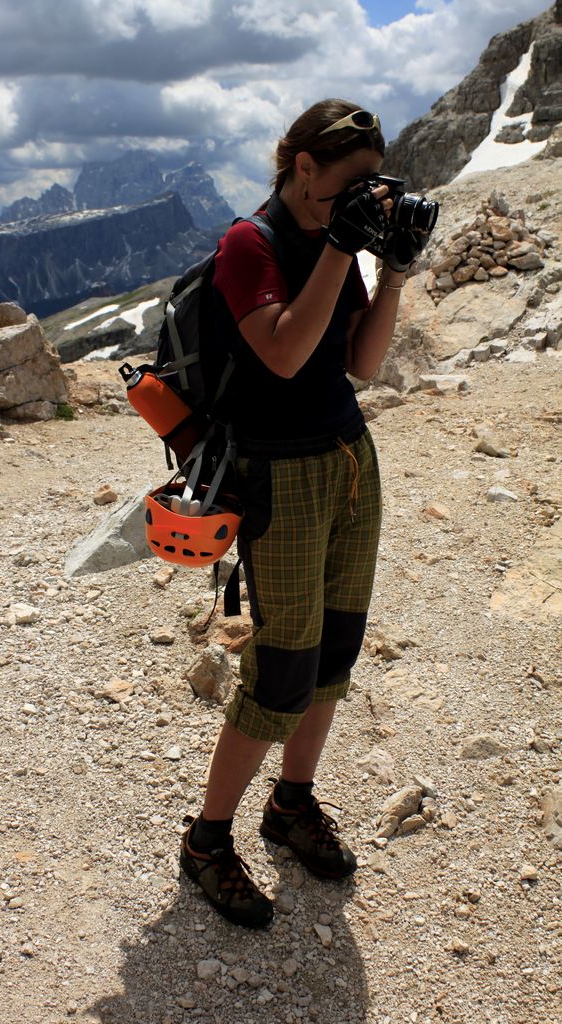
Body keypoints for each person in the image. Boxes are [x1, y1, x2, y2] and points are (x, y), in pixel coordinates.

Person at [179, 98, 433, 929]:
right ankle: (208, 840)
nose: (360, 199)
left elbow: (358, 361)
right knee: (283, 666)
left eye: (374, 186)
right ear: (301, 168)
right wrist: (337, 245)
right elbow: (283, 352)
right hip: (278, 475)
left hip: (349, 459)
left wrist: (388, 265)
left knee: (335, 647)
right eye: (347, 185)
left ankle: (291, 805)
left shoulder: (343, 242)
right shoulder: (247, 244)